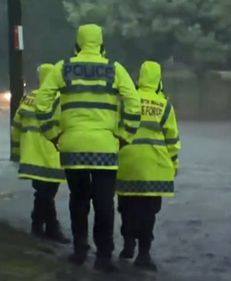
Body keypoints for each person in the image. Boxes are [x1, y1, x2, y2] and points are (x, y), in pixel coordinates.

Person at [34, 24, 141, 272]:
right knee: (104, 203)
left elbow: (42, 103)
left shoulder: (63, 68)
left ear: (77, 45)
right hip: (105, 147)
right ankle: (104, 256)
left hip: (73, 147)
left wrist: (53, 134)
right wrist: (124, 136)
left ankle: (80, 250)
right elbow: (134, 106)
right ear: (102, 45)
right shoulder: (115, 70)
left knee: (78, 200)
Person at [116, 61, 181, 271]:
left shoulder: (127, 101)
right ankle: (144, 254)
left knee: (126, 206)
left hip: (127, 164)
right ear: (158, 78)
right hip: (155, 167)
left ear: (140, 77)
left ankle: (127, 244)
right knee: (148, 212)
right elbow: (172, 138)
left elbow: (116, 129)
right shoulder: (164, 105)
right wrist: (174, 163)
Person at [11, 63, 69, 244]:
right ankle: (43, 227)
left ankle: (45, 227)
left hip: (31, 156)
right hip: (50, 155)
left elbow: (16, 127)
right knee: (46, 193)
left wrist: (16, 152)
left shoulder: (28, 98)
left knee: (43, 193)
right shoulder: (58, 99)